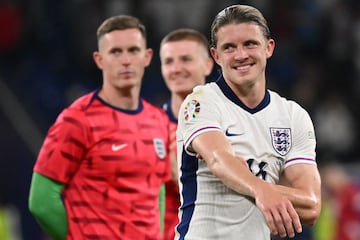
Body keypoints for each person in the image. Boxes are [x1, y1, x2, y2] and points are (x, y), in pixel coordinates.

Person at [175, 4, 321, 240]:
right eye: (229, 47)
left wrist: (262, 189)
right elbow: (217, 159)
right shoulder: (201, 103)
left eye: (250, 44)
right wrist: (261, 189)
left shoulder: (293, 116)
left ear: (269, 47)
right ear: (216, 56)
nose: (240, 55)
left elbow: (311, 205)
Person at [28, 15, 171, 240]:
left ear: (147, 57)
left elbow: (158, 190)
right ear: (99, 59)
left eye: (133, 50)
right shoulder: (77, 119)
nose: (125, 60)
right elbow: (41, 202)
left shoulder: (158, 120)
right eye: (115, 52)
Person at [159, 28, 214, 240]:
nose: (176, 69)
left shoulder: (228, 124)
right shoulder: (144, 127)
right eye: (169, 61)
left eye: (186, 59)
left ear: (208, 64)